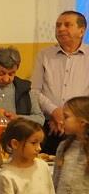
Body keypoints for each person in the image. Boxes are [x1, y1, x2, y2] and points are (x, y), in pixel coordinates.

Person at [31, 10, 89, 154]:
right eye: (58, 25)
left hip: (82, 128)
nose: (61, 29)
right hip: (50, 126)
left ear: (81, 31)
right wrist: (54, 111)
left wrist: (70, 118)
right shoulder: (44, 55)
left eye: (67, 25)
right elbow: (34, 90)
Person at [0, 47, 44, 127]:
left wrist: (18, 118)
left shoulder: (24, 89)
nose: (6, 79)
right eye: (1, 73)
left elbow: (40, 119)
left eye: (11, 74)